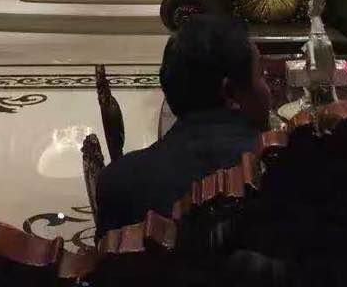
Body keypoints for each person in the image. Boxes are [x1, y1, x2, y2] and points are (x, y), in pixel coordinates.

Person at [95, 16, 271, 237]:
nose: (268, 90)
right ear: (230, 93)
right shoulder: (282, 171)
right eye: (261, 75)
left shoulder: (118, 183)